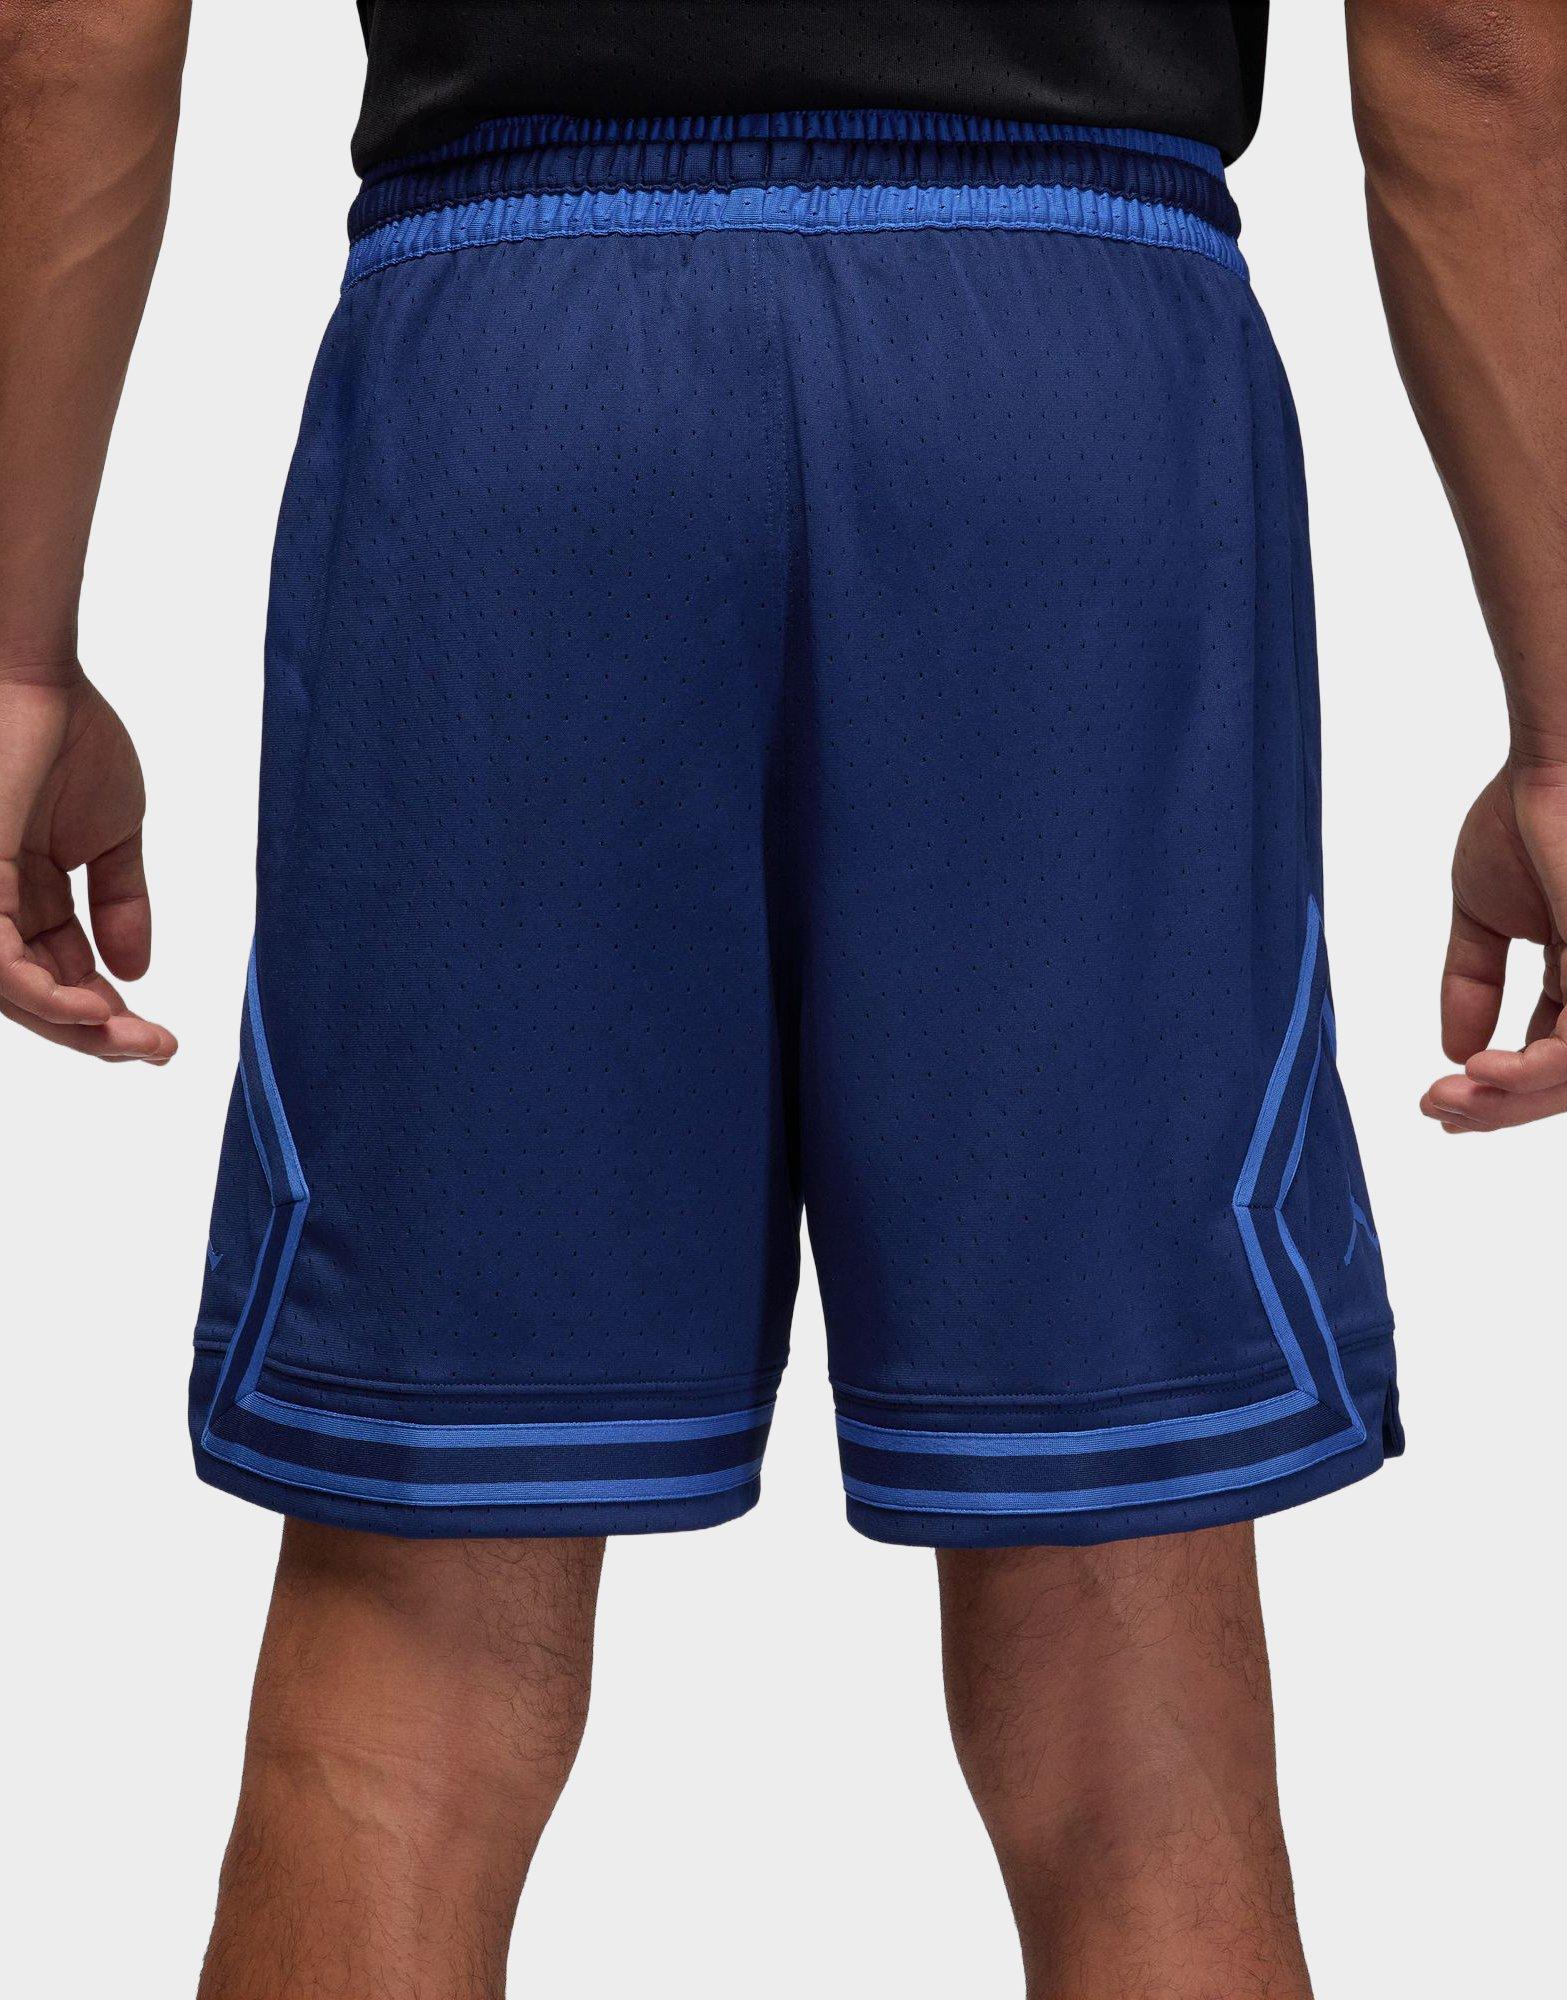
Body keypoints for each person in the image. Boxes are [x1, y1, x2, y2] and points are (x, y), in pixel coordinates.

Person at [2, 3, 1563, 1994]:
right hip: (1064, 391)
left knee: (409, 1659)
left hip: (521, 381)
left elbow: (66, 28)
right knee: (1129, 1677)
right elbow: (1473, 45)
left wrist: (14, 650)